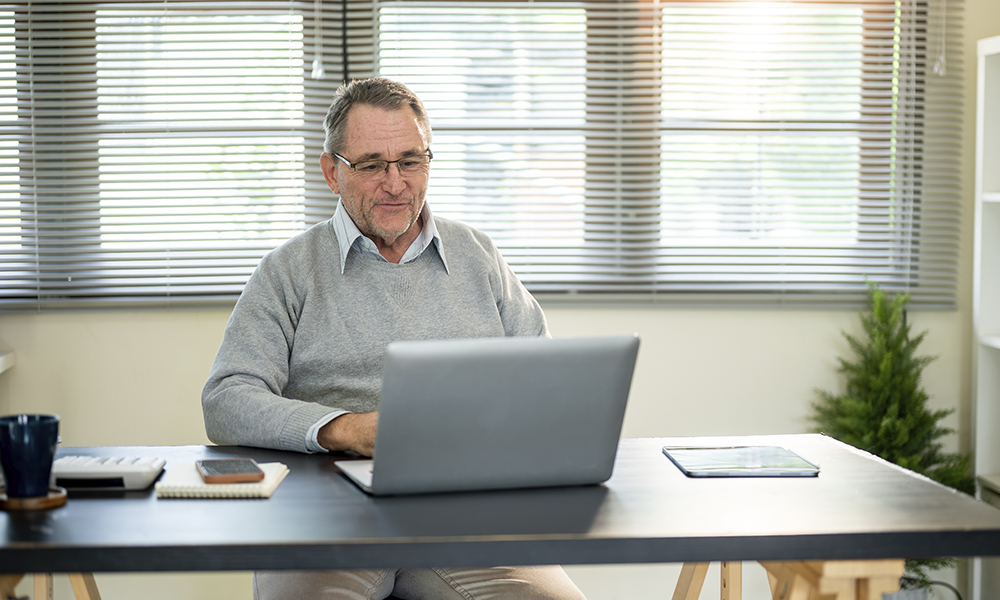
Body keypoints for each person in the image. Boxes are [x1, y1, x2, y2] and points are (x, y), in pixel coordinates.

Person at [201, 77, 588, 600]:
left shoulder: (478, 255)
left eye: (410, 160)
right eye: (371, 164)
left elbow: (546, 384)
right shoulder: (287, 271)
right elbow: (226, 400)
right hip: (326, 520)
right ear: (332, 172)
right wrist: (343, 429)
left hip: (466, 519)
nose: (395, 182)